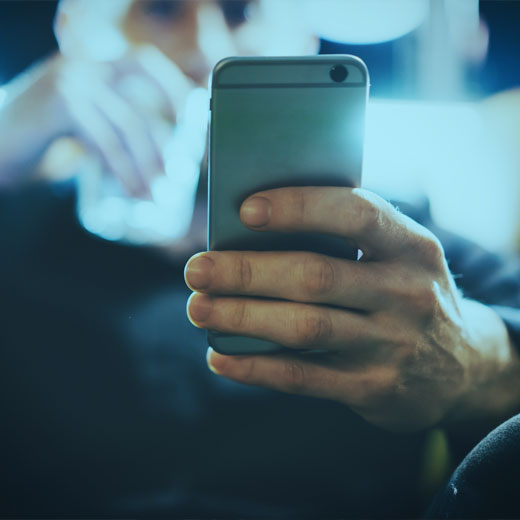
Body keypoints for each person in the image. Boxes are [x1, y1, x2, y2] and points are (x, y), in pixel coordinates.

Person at [1, 0, 520, 517]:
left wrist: (477, 363)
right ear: (74, 33)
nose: (208, 51)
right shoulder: (12, 220)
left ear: (301, 40)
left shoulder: (395, 243)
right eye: (160, 10)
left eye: (242, 13)